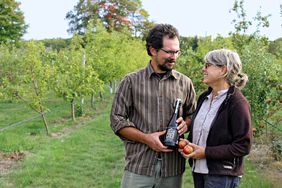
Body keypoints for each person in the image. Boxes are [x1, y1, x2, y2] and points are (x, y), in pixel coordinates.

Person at [110, 23, 197, 188]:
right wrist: (146, 138)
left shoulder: (185, 83)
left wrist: (186, 123)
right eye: (169, 52)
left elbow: (193, 114)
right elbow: (116, 119)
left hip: (172, 169)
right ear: (153, 50)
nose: (174, 57)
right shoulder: (131, 81)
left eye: (177, 51)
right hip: (139, 166)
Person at [179, 49, 252, 188]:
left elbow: (243, 146)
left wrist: (205, 152)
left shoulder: (237, 103)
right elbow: (205, 133)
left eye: (207, 65)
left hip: (221, 175)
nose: (203, 69)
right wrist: (186, 143)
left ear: (223, 70)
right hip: (199, 170)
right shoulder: (203, 98)